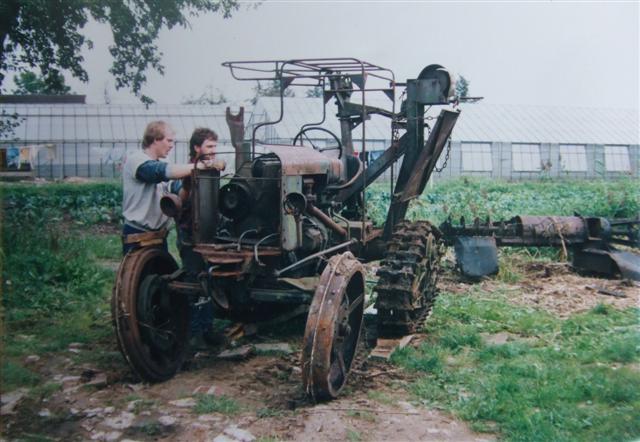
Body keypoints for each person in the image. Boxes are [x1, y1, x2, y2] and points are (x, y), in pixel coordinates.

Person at [121, 120, 222, 254]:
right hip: (138, 234)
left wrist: (187, 186)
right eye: (169, 141)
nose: (172, 145)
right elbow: (159, 172)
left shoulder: (164, 161)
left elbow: (179, 193)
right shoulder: (136, 160)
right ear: (156, 140)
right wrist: (204, 166)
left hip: (159, 236)